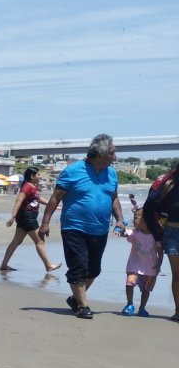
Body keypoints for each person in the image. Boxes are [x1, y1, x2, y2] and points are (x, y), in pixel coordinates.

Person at [40, 134, 126, 319]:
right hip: (74, 227)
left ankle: (75, 298)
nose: (115, 156)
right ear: (101, 154)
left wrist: (119, 219)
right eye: (112, 153)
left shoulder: (111, 173)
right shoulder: (73, 171)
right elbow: (55, 198)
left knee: (94, 270)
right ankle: (83, 306)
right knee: (78, 267)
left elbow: (114, 198)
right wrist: (45, 223)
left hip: (100, 229)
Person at [0, 167, 60, 273]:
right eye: (38, 175)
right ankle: (48, 266)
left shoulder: (33, 187)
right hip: (27, 217)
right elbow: (19, 200)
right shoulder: (27, 186)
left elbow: (38, 199)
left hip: (26, 217)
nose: (39, 177)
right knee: (39, 241)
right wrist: (13, 215)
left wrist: (54, 205)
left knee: (16, 242)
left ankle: (4, 265)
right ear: (32, 176)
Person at [142, 162, 178, 319]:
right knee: (177, 275)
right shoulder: (167, 181)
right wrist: (157, 236)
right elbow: (148, 208)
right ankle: (178, 311)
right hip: (173, 232)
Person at [121, 209, 161, 316]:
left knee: (146, 289)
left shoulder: (155, 235)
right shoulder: (134, 233)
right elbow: (125, 232)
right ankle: (129, 304)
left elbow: (160, 250)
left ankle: (142, 308)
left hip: (150, 267)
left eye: (136, 218)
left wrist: (159, 264)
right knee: (129, 283)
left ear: (146, 220)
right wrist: (122, 229)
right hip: (134, 264)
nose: (133, 220)